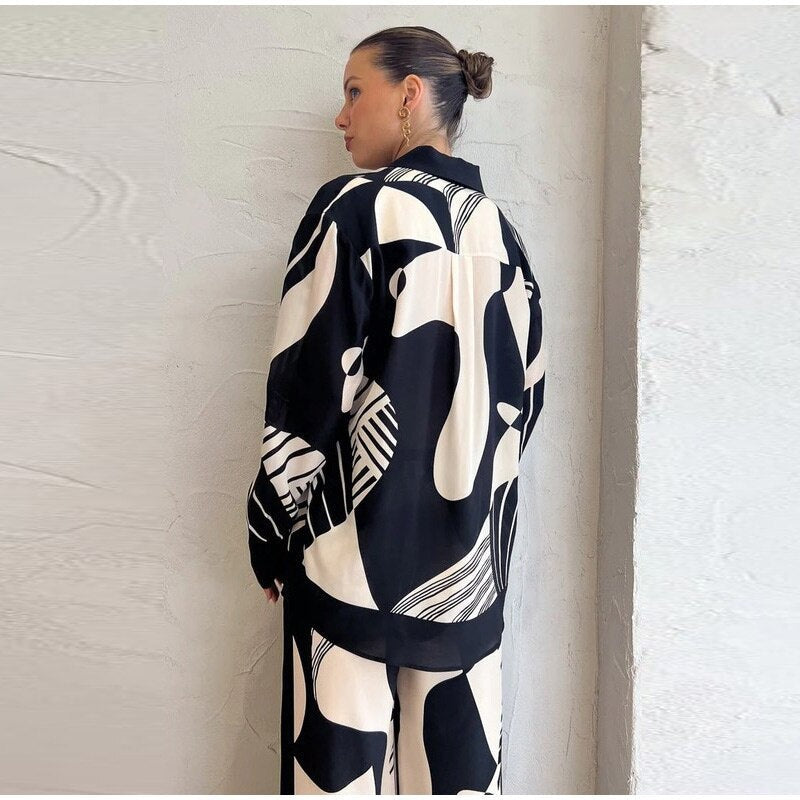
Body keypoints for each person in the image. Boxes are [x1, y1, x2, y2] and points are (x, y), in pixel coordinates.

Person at [245, 25, 546, 795]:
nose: (341, 116)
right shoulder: (505, 237)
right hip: (468, 581)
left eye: (355, 91)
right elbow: (525, 402)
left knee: (337, 781)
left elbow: (310, 386)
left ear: (409, 95)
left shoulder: (353, 210)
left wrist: (271, 531)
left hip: (351, 569)